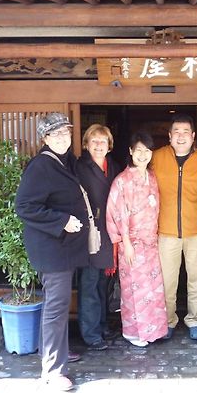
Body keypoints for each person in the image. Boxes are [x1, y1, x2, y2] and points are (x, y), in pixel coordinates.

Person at [15, 112, 88, 391]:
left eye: (66, 133)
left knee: (55, 306)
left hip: (63, 248)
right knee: (56, 308)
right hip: (52, 248)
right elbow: (25, 207)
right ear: (44, 138)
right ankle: (53, 370)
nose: (63, 138)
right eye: (56, 134)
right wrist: (62, 221)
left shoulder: (65, 161)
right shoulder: (41, 166)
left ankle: (54, 352)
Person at [106, 131, 168, 347]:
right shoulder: (122, 181)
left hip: (151, 243)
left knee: (152, 288)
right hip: (131, 243)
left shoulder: (151, 177)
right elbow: (117, 213)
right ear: (131, 151)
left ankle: (154, 329)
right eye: (138, 150)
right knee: (134, 289)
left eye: (147, 150)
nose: (143, 155)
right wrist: (126, 243)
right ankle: (134, 332)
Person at [152, 114, 197, 340]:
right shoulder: (156, 157)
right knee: (167, 280)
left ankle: (195, 320)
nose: (181, 136)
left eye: (186, 132)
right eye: (177, 131)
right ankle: (168, 320)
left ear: (193, 136)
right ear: (169, 136)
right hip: (165, 230)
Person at [76, 124, 119, 351]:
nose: (99, 145)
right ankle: (90, 333)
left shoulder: (113, 166)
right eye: (94, 141)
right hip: (90, 233)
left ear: (109, 145)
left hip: (109, 230)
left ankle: (102, 325)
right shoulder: (79, 167)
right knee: (90, 283)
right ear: (86, 144)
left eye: (103, 141)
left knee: (104, 282)